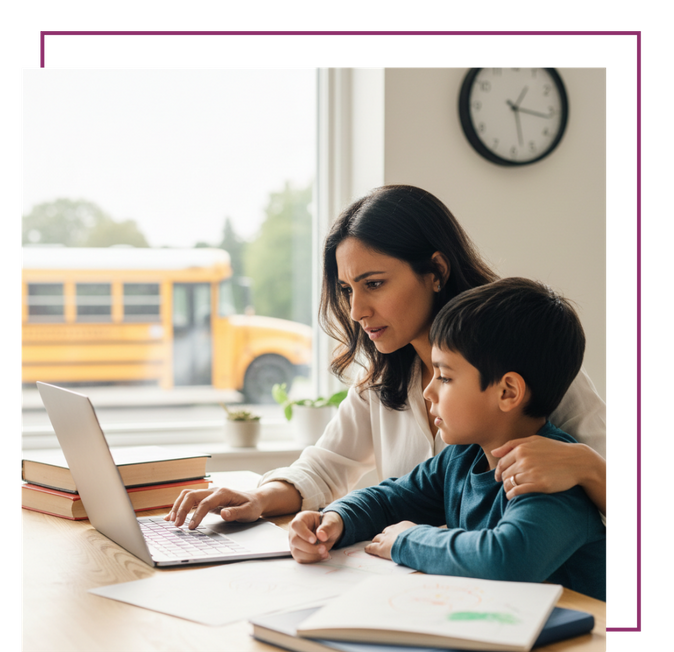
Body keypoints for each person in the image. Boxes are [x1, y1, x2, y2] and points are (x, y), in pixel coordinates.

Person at [165, 185, 608, 530]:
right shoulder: (383, 382)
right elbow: (325, 466)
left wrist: (587, 468)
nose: (357, 310)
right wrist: (261, 497)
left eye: (373, 283)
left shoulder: (527, 361)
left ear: (436, 271)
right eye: (346, 290)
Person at [288, 278, 608, 602]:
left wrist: (408, 539)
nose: (429, 391)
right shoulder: (462, 457)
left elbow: (504, 560)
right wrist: (336, 519)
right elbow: (390, 499)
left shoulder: (552, 477)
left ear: (508, 392)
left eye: (445, 377)